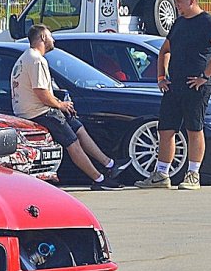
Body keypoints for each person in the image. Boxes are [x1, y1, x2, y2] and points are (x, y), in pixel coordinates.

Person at [136, 0, 211, 191]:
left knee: (194, 128)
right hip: (174, 85)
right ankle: (161, 174)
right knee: (165, 129)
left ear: (191, 1)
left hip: (196, 85)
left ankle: (193, 174)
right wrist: (161, 77)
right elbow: (164, 50)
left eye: (179, 2)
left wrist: (205, 75)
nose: (176, 6)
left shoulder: (207, 22)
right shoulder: (179, 23)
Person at [11, 24, 128, 190]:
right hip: (38, 112)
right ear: (43, 37)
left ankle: (109, 164)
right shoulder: (36, 60)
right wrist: (60, 104)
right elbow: (41, 93)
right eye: (50, 36)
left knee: (78, 127)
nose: (53, 40)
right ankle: (99, 179)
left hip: (36, 110)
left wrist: (62, 105)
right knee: (73, 143)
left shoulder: (26, 57)